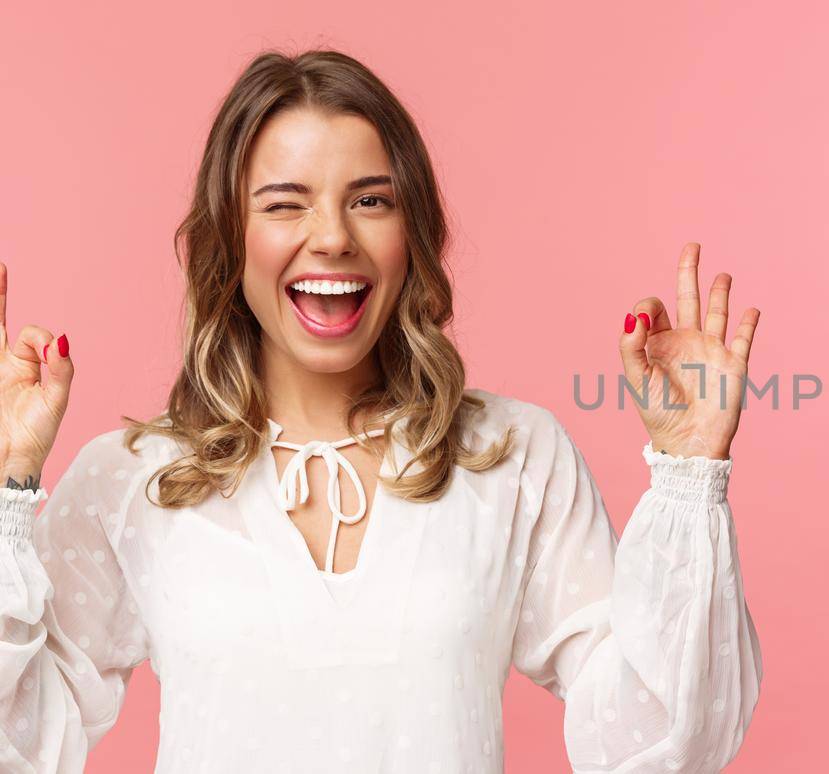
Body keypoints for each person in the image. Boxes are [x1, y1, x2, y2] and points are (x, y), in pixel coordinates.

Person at [0, 49, 762, 773]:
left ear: (414, 232)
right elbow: (19, 745)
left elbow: (657, 746)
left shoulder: (511, 455)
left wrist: (690, 473)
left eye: (370, 201)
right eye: (284, 204)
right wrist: (6, 481)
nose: (332, 238)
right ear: (228, 242)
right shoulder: (135, 480)